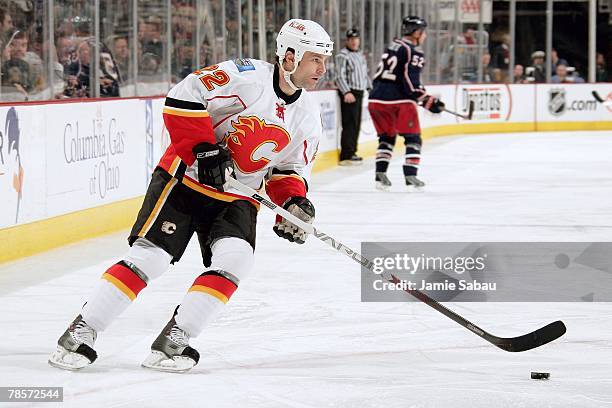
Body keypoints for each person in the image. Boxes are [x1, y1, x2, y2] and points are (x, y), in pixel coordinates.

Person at [48, 18, 333, 373]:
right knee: (150, 258)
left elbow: (287, 171)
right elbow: (184, 94)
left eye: (324, 60)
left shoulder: (307, 116)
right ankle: (80, 331)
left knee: (236, 260)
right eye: (315, 59)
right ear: (289, 57)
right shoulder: (245, 76)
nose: (322, 68)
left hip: (236, 195)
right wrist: (202, 148)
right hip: (184, 181)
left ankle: (175, 339)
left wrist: (293, 203)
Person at [367, 16, 444, 191]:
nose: (424, 36)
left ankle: (380, 176)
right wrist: (428, 101)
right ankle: (411, 176)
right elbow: (411, 82)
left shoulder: (393, 46)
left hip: (375, 99)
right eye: (423, 32)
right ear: (417, 33)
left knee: (386, 137)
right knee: (413, 139)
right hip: (398, 101)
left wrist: (425, 99)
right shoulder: (413, 51)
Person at [335, 28, 371, 165]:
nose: (354, 41)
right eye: (351, 39)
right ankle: (346, 154)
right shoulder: (342, 56)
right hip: (350, 93)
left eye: (356, 39)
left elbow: (365, 74)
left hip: (360, 92)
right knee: (349, 124)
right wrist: (346, 92)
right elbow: (339, 75)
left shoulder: (360, 55)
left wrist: (370, 87)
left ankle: (352, 151)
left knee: (356, 124)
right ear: (347, 41)